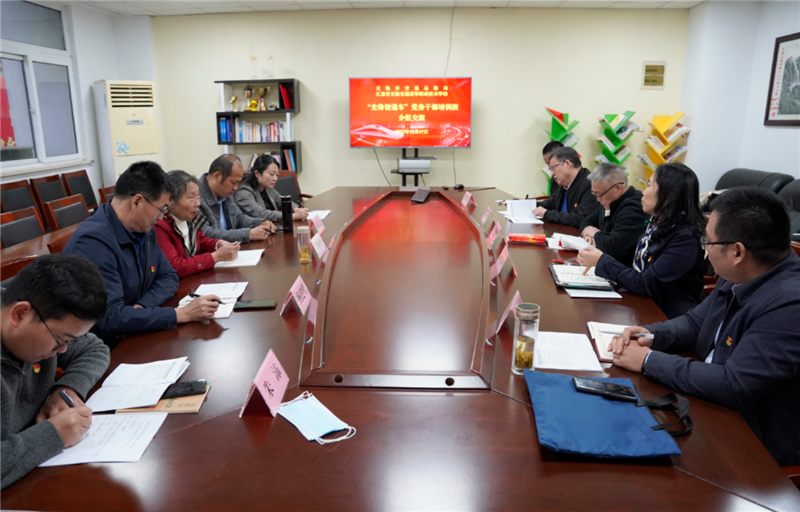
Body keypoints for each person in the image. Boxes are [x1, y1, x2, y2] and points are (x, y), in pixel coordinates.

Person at [610, 187, 800, 466]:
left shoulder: (789, 304)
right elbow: (695, 322)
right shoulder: (744, 270)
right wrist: (651, 334)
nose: (704, 249)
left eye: (708, 241)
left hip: (751, 445)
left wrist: (648, 361)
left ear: (737, 252)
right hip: (705, 400)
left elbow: (734, 384)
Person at [64, 161, 220, 350]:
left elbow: (168, 276)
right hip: (104, 347)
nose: (162, 217)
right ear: (137, 202)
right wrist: (181, 314)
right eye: (161, 209)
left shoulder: (144, 228)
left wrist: (141, 308)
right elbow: (110, 318)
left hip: (136, 330)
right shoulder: (93, 242)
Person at [1, 255, 110, 489]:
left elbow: (94, 348)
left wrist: (67, 389)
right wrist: (52, 435)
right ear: (20, 314)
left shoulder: (42, 321)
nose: (62, 351)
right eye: (60, 340)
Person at [576, 163, 705, 319]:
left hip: (665, 316)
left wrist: (602, 261)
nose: (643, 191)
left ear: (667, 193)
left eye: (649, 185)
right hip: (641, 302)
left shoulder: (685, 237)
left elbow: (647, 283)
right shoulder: (657, 223)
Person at [156, 170, 240, 279]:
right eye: (191, 197)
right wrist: (215, 257)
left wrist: (219, 244)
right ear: (170, 200)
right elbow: (175, 266)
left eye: (198, 196)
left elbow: (200, 241)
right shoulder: (159, 225)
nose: (198, 203)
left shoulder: (189, 218)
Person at [578, 163, 649, 265]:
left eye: (599, 195)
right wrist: (588, 232)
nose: (597, 199)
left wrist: (595, 234)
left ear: (618, 189)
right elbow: (586, 221)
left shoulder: (634, 207)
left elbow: (614, 247)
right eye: (594, 194)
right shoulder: (609, 201)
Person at [199, 154, 277, 243]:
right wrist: (247, 234)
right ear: (217, 176)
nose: (236, 188)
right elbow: (206, 234)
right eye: (233, 182)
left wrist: (260, 222)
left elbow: (239, 218)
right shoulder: (196, 197)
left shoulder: (224, 192)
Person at [532, 147, 600, 228]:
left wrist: (547, 214)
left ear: (567, 164)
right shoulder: (563, 183)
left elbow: (582, 218)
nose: (552, 174)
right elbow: (551, 204)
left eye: (553, 168)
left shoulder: (591, 184)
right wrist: (528, 204)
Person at [233, 155, 308, 222]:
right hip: (254, 230)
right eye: (271, 174)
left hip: (272, 227)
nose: (275, 178)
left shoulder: (267, 187)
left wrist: (296, 209)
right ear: (257, 174)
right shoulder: (244, 192)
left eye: (277, 175)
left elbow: (282, 201)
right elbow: (260, 213)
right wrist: (291, 216)